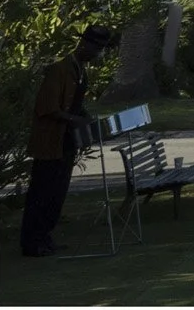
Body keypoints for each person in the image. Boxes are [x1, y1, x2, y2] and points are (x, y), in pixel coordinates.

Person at [20, 25, 114, 258]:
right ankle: (32, 241)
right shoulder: (59, 70)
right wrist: (74, 119)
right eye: (96, 49)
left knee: (57, 192)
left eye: (100, 50)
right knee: (42, 191)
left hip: (66, 140)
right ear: (85, 45)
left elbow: (74, 102)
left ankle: (46, 236)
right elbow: (46, 107)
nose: (97, 55)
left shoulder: (81, 70)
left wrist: (85, 118)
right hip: (50, 140)